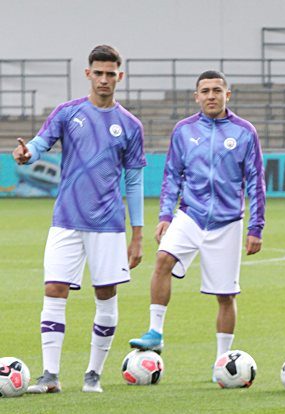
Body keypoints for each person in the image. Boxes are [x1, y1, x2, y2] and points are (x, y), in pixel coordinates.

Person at [12, 44, 146, 394]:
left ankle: (93, 375)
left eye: (110, 73)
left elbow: (133, 181)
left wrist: (138, 233)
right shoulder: (67, 112)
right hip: (67, 219)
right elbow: (41, 143)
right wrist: (28, 154)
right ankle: (50, 376)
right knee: (54, 290)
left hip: (109, 224)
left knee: (106, 294)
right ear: (88, 74)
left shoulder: (130, 125)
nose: (104, 79)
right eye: (98, 73)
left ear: (120, 75)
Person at [128, 70, 265, 377]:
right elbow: (172, 175)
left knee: (225, 295)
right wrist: (165, 215)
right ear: (197, 97)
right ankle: (155, 332)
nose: (211, 95)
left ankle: (222, 361)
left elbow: (256, 181)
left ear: (227, 95)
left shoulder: (244, 132)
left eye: (217, 90)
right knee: (162, 260)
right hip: (190, 214)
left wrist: (256, 228)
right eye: (205, 91)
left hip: (227, 221)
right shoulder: (184, 130)